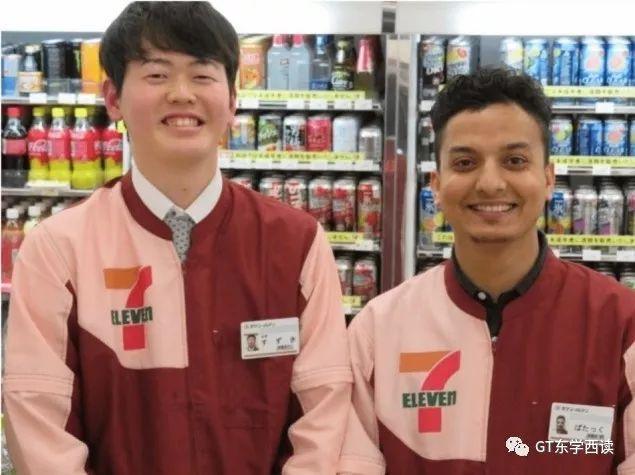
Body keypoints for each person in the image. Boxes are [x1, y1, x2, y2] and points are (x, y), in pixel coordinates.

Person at [3, 3, 352, 474]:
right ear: (113, 98)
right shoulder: (58, 250)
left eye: (202, 75)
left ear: (233, 100)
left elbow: (323, 412)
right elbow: (40, 423)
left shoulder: (297, 243)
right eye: (157, 75)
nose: (182, 94)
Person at [338, 68, 635, 474]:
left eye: (515, 161)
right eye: (465, 162)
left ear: (548, 178)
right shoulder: (378, 330)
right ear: (436, 184)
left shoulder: (621, 324)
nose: (491, 183)